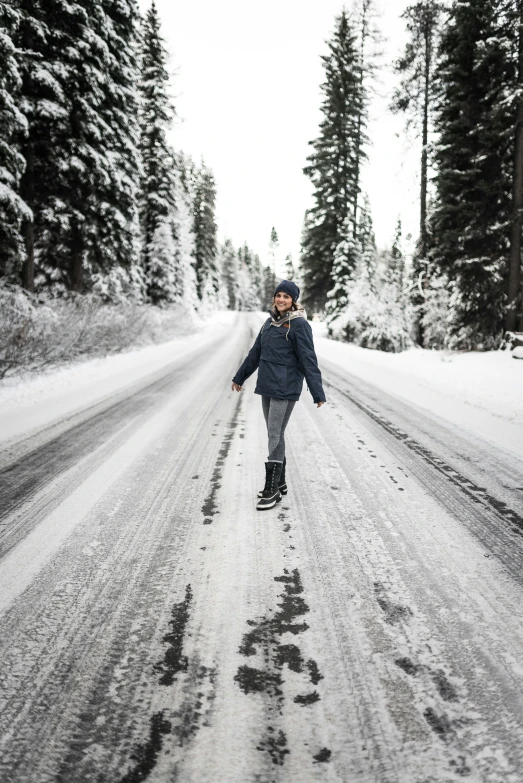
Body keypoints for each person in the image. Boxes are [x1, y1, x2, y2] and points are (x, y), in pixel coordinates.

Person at [231, 280, 326, 510]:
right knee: (275, 432)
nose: (281, 299)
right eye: (278, 295)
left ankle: (272, 489)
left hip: (286, 387)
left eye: (286, 296)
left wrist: (317, 391)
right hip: (267, 385)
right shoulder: (269, 323)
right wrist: (239, 377)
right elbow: (255, 353)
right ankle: (280, 482)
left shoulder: (299, 325)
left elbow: (308, 359)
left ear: (294, 300)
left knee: (274, 432)